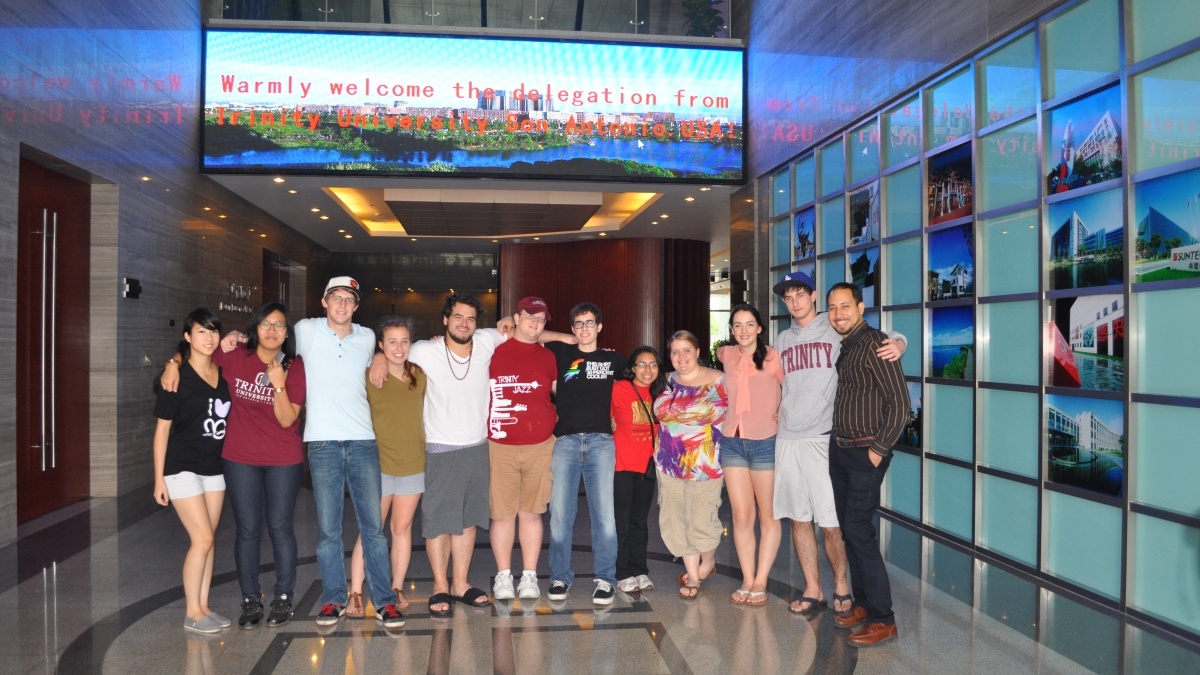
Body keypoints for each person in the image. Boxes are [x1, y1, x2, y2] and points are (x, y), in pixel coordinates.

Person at [217, 278, 403, 628]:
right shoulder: (304, 330)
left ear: (356, 306)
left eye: (349, 299)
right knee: (329, 531)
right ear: (324, 302)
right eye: (336, 297)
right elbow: (269, 336)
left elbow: (388, 350)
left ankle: (385, 601)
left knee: (373, 529)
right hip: (321, 443)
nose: (342, 304)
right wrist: (237, 336)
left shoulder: (366, 338)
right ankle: (333, 599)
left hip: (363, 441)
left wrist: (379, 354)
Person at [161, 302, 308, 628]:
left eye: (279, 325)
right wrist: (173, 363)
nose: (271, 331)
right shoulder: (236, 354)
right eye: (265, 324)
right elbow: (198, 350)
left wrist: (278, 383)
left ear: (287, 332)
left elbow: (287, 419)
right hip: (239, 458)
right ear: (255, 327)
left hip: (283, 459)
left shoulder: (294, 366)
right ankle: (250, 599)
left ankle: (283, 597)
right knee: (247, 530)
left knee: (281, 529)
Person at [772, 271, 904, 617]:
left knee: (833, 522)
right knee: (799, 519)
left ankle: (843, 586)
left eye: (800, 295)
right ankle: (813, 588)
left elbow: (882, 338)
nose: (794, 302)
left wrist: (900, 342)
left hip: (824, 438)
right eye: (788, 297)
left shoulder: (834, 327)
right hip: (788, 438)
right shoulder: (782, 339)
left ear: (813, 296)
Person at [385, 292, 505, 618]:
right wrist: (380, 360)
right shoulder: (425, 350)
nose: (464, 323)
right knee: (438, 521)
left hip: (477, 446)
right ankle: (440, 584)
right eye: (458, 317)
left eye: (470, 318)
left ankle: (460, 583)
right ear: (445, 320)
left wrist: (567, 337)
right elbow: (394, 353)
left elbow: (526, 328)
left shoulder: (486, 341)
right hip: (440, 447)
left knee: (467, 520)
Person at [825, 282, 909, 647]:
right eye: (833, 308)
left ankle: (883, 618)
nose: (838, 313)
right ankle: (862, 603)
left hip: (864, 453)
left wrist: (878, 451)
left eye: (845, 306)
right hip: (841, 450)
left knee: (858, 530)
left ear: (860, 307)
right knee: (849, 528)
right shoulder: (848, 344)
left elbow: (901, 404)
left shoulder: (875, 343)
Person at [153, 308, 231, 634]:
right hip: (181, 466)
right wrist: (159, 479)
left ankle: (204, 605)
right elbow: (162, 431)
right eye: (201, 331)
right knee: (202, 538)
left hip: (213, 466)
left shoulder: (222, 372)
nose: (209, 337)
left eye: (213, 331)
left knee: (209, 540)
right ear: (187, 336)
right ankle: (191, 612)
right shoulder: (176, 378)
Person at [544, 302, 625, 606]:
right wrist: (565, 338)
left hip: (601, 442)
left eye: (589, 323)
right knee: (560, 515)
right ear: (572, 328)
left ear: (599, 326)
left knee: (604, 516)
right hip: (565, 441)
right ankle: (560, 576)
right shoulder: (561, 352)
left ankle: (605, 579)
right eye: (578, 324)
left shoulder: (613, 359)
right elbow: (533, 333)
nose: (584, 328)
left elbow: (636, 384)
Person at [345, 316, 427, 616]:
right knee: (371, 530)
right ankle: (356, 591)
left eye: (404, 341)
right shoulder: (370, 375)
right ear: (380, 344)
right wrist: (376, 359)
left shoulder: (419, 374)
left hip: (412, 463)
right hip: (375, 466)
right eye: (391, 342)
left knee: (402, 529)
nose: (399, 347)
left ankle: (397, 587)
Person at [487, 297, 558, 602]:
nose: (535, 323)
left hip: (540, 446)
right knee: (503, 514)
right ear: (515, 318)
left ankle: (529, 575)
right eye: (530, 316)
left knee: (531, 513)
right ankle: (503, 575)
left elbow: (559, 393)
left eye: (541, 319)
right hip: (499, 445)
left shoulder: (548, 357)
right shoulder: (493, 350)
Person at [717, 304, 784, 606]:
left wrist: (781, 415)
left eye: (749, 324)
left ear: (759, 328)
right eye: (737, 325)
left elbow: (793, 389)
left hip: (764, 441)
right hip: (732, 441)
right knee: (742, 516)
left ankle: (761, 580)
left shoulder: (773, 357)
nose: (743, 330)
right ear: (732, 330)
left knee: (768, 516)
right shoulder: (727, 355)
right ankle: (747, 578)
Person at [654, 330, 728, 599]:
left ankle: (707, 562)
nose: (681, 356)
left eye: (686, 350)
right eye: (675, 351)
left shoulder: (721, 380)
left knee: (702, 520)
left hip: (706, 465)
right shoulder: (664, 381)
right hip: (668, 464)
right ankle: (693, 576)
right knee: (676, 520)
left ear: (697, 352)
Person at [611, 345, 668, 593]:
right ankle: (622, 572)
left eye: (653, 364)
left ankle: (639, 570)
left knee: (640, 522)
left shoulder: (662, 394)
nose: (647, 369)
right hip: (622, 466)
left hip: (647, 467)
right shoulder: (618, 389)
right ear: (632, 368)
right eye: (642, 364)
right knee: (622, 521)